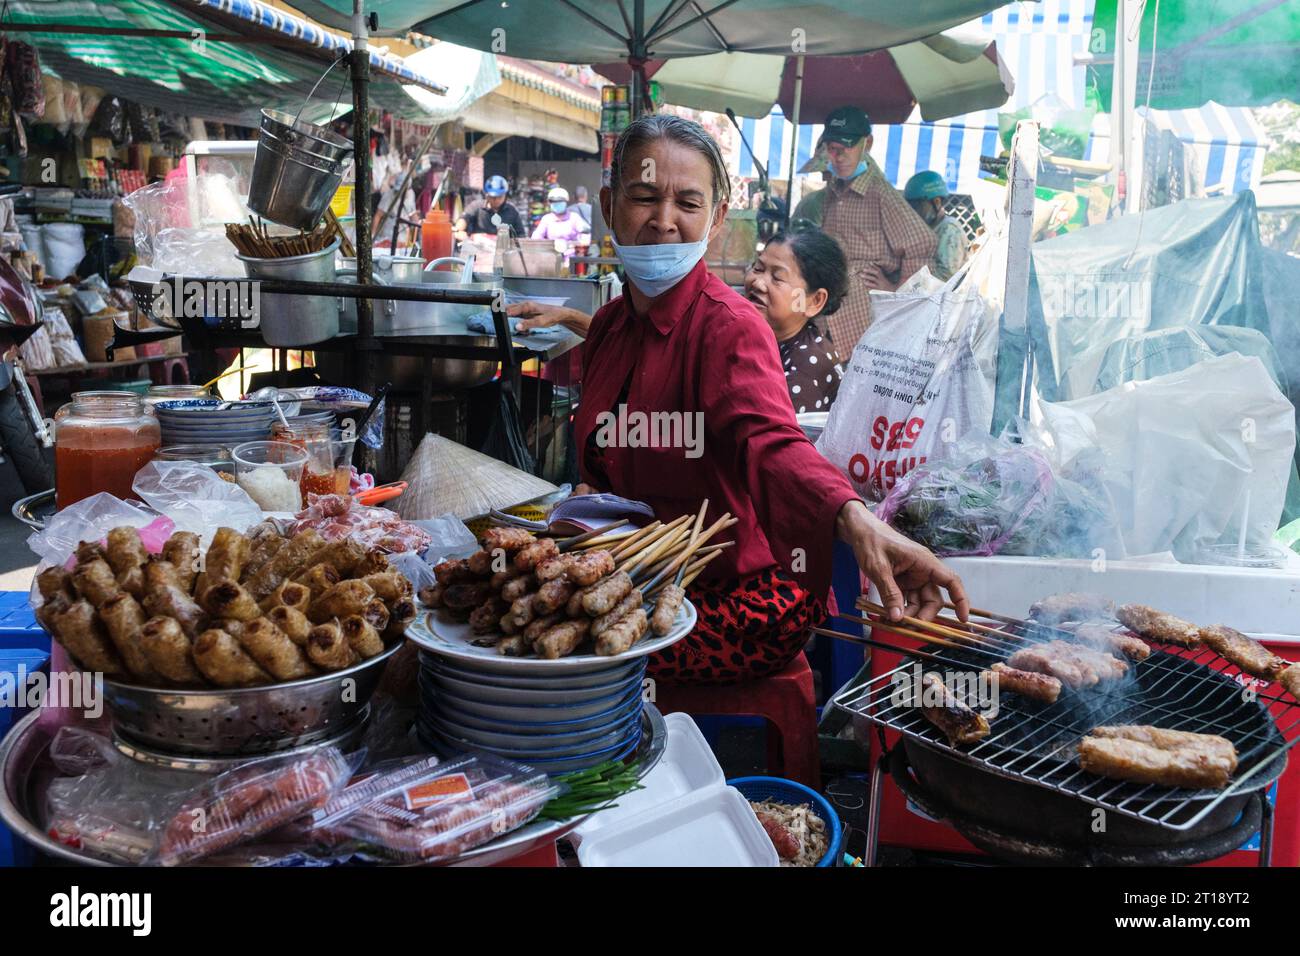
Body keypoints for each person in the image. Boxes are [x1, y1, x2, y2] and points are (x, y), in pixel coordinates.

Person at [507, 114, 967, 685]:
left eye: (689, 204)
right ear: (608, 204)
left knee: (568, 660)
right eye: (644, 197)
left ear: (718, 218)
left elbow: (774, 443)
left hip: (740, 592)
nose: (664, 223)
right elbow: (608, 467)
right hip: (638, 576)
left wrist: (855, 519)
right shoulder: (608, 326)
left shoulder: (731, 329)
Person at [791, 106, 936, 359]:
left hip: (863, 320)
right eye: (832, 149)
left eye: (845, 148)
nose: (838, 156)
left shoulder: (880, 193)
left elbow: (922, 244)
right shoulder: (834, 191)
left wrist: (895, 290)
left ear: (866, 143)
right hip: (832, 310)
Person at [744, 229, 847, 415]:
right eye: (758, 268)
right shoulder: (769, 338)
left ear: (814, 301)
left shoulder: (806, 369)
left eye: (777, 278)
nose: (758, 283)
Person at [904, 170, 969, 281]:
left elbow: (945, 276)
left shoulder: (949, 229)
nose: (912, 211)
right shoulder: (925, 228)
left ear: (937, 202)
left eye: (917, 206)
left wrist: (903, 283)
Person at [454, 175, 526, 241]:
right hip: (478, 249)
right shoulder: (476, 206)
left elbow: (521, 236)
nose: (496, 200)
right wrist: (460, 232)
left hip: (503, 250)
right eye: (493, 197)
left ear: (505, 195)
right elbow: (463, 221)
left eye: (500, 197)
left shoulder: (512, 211)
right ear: (486, 195)